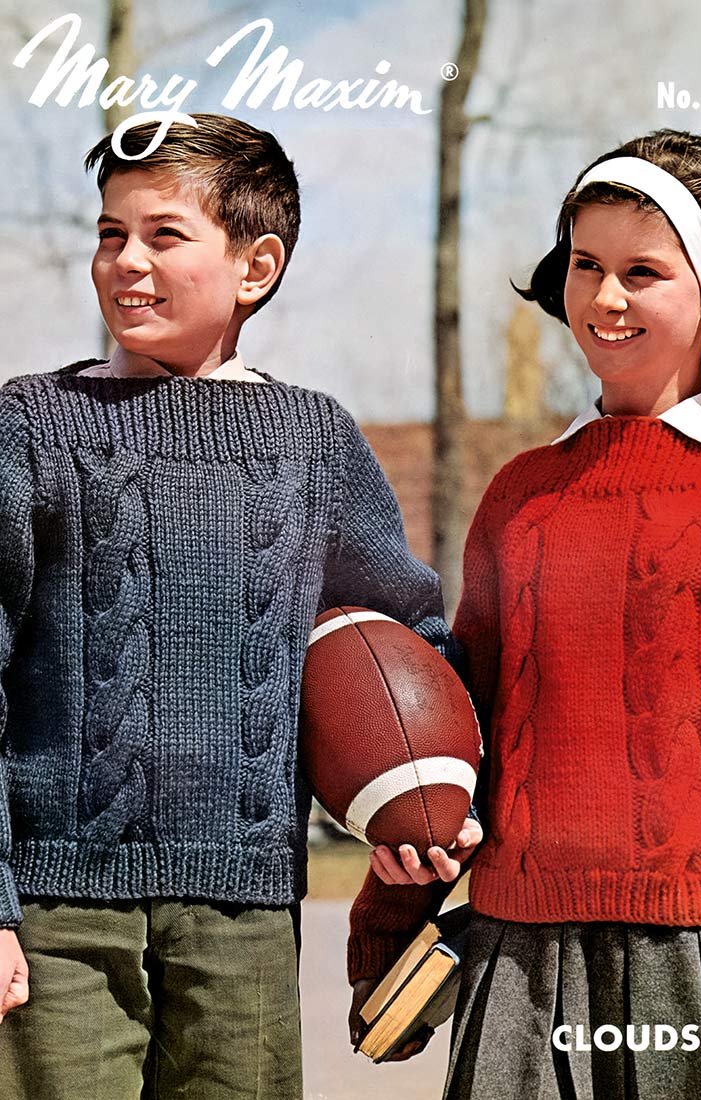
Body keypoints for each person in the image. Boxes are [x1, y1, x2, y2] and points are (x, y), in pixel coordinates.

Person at [0, 113, 475, 1100]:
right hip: (52, 914)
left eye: (163, 235)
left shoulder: (314, 441)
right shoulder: (32, 426)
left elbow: (406, 641)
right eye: (109, 233)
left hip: (245, 915)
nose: (125, 261)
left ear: (255, 265)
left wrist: (432, 797)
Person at [348, 129, 701, 1099]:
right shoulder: (520, 493)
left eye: (641, 272)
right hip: (512, 957)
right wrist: (385, 930)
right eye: (585, 265)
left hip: (696, 955)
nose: (605, 298)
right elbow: (457, 739)